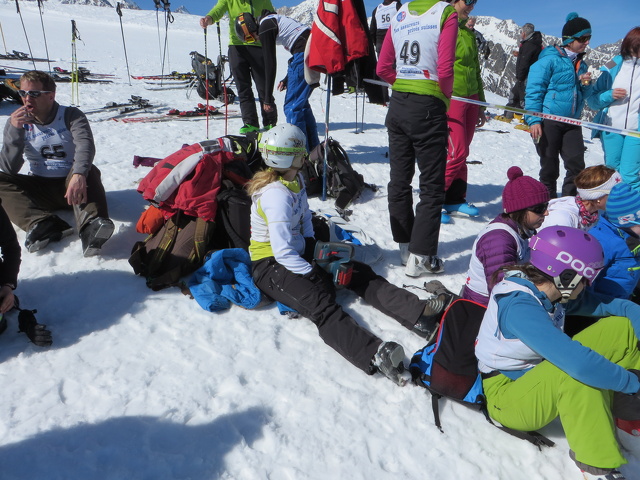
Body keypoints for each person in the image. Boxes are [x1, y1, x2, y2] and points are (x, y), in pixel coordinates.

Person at [248, 124, 450, 385]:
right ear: (287, 157)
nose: (306, 156)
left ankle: (419, 314)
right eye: (300, 152)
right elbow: (282, 251)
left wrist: (317, 250)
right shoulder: (276, 195)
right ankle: (374, 354)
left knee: (355, 271)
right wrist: (313, 273)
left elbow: (306, 220)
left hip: (297, 249)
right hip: (271, 265)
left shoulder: (295, 180)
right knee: (321, 304)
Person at [475, 226, 640, 480]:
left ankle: (628, 416)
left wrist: (631, 310)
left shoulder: (550, 291)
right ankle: (597, 465)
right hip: (508, 396)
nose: (587, 286)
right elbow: (579, 364)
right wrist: (632, 383)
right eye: (585, 280)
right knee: (578, 375)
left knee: (622, 328)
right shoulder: (519, 307)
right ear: (567, 277)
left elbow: (606, 305)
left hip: (537, 377)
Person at [376, 0, 458, 276]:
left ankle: (405, 247)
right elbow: (445, 69)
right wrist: (443, 97)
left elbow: (382, 67)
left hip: (398, 102)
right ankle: (421, 257)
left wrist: (403, 84)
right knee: (432, 186)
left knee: (399, 180)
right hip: (428, 104)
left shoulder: (399, 13)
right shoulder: (445, 12)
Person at [0, 70, 113, 257]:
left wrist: (78, 174)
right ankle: (42, 224)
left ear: (51, 96)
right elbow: (9, 168)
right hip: (40, 186)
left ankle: (92, 225)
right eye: (22, 93)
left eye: (34, 93)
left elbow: (85, 146)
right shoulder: (17, 122)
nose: (27, 98)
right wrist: (15, 131)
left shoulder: (70, 115)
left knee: (89, 169)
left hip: (74, 186)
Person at [525, 12, 594, 198]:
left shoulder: (581, 64)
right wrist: (533, 119)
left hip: (572, 122)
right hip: (549, 121)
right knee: (549, 166)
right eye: (583, 38)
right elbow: (534, 90)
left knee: (576, 166)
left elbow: (585, 95)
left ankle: (568, 203)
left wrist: (585, 84)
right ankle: (547, 204)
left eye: (588, 38)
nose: (587, 42)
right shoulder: (550, 59)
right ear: (569, 39)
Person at [461, 166, 549, 306]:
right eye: (539, 208)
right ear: (519, 210)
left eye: (546, 205)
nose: (546, 213)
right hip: (481, 308)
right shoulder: (498, 240)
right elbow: (502, 292)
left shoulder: (520, 229)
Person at [234, 11, 319, 150]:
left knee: (292, 107)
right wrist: (287, 78)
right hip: (309, 51)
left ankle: (301, 153)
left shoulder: (265, 27)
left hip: (304, 54)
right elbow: (300, 41)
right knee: (301, 105)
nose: (255, 40)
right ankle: (314, 149)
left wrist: (267, 99)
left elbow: (270, 64)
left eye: (249, 38)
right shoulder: (272, 20)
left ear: (250, 27)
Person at [200, 0, 277, 134]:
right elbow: (218, 10)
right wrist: (209, 19)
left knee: (264, 87)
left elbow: (272, 17)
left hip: (258, 46)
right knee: (243, 87)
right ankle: (250, 123)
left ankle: (270, 122)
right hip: (237, 47)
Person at [441, 0, 486, 224]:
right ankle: (433, 200)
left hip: (471, 98)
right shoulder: (444, 27)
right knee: (456, 152)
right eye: (468, 1)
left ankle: (454, 198)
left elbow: (475, 70)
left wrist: (481, 105)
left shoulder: (468, 33)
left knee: (463, 152)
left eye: (474, 2)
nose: (471, 6)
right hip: (453, 97)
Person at [588, 27, 640, 191]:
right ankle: (612, 205)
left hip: (636, 132)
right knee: (612, 173)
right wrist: (609, 95)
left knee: (630, 175)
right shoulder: (613, 65)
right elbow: (593, 101)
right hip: (611, 128)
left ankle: (633, 206)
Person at [588, 182, 640, 300]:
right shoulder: (601, 243)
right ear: (626, 221)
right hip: (606, 304)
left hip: (627, 296)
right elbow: (586, 286)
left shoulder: (630, 234)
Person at [542, 165, 621, 231]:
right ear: (597, 197)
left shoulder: (592, 215)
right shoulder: (562, 218)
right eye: (615, 193)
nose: (621, 196)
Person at [495, 23, 542, 123]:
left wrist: (520, 77)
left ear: (524, 33)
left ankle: (528, 121)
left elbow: (525, 62)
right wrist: (520, 54)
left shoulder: (528, 45)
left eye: (521, 32)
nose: (521, 34)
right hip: (530, 75)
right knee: (515, 94)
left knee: (523, 98)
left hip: (526, 76)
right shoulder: (535, 43)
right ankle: (509, 116)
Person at [369, 0, 402, 104]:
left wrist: (376, 43)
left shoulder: (377, 9)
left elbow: (372, 30)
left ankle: (384, 98)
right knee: (397, 69)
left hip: (380, 42)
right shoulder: (397, 5)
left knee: (383, 70)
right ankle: (397, 95)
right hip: (394, 40)